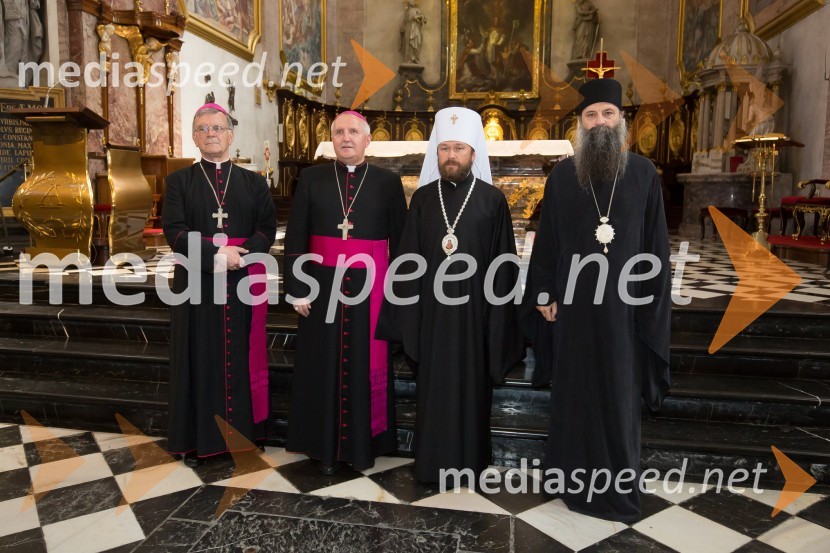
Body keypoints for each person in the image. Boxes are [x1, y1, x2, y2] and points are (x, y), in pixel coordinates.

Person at [527, 78, 671, 522]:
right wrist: (543, 291)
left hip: (624, 308)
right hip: (573, 306)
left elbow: (656, 246)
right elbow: (547, 240)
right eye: (591, 115)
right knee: (575, 391)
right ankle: (569, 479)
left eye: (608, 113)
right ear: (580, 124)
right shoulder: (562, 177)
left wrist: (651, 302)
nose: (600, 122)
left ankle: (616, 488)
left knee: (618, 392)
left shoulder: (643, 174)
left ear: (621, 121)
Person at [380, 107, 524, 484]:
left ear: (473, 153)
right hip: (431, 316)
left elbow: (504, 268)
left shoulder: (493, 200)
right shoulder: (423, 199)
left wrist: (497, 323)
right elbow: (407, 263)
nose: (451, 156)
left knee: (472, 389)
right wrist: (408, 319)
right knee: (433, 389)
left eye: (459, 148)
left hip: (476, 316)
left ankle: (471, 462)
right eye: (444, 148)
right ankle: (431, 463)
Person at [284, 111, 407, 475]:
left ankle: (365, 444)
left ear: (368, 140)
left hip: (371, 288)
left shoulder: (387, 181)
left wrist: (398, 293)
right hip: (321, 287)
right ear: (332, 140)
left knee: (364, 363)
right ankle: (320, 444)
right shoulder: (312, 178)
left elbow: (402, 242)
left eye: (353, 132)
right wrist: (296, 288)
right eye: (339, 132)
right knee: (321, 364)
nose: (346, 138)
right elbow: (296, 234)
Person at [163, 103, 276, 467]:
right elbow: (174, 231)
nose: (210, 134)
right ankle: (201, 440)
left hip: (243, 280)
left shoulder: (254, 182)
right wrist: (215, 252)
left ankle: (244, 435)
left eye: (217, 128)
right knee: (200, 355)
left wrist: (240, 257)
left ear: (230, 135)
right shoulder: (179, 182)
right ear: (194, 138)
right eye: (202, 129)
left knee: (242, 355)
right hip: (196, 283)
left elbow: (266, 229)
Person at [400, 0, 427, 64]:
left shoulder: (418, 10)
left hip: (416, 29)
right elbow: (405, 22)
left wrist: (419, 17)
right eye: (410, 0)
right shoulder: (407, 12)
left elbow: (424, 20)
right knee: (409, 44)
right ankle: (410, 58)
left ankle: (415, 57)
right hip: (409, 29)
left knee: (418, 42)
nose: (412, 1)